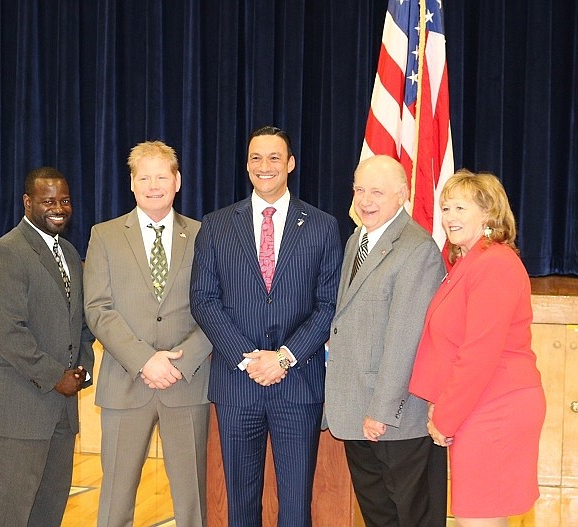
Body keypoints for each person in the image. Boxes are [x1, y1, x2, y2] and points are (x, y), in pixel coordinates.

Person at [190, 125, 343, 526]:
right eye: (256, 157)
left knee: (295, 505)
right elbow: (204, 301)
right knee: (240, 504)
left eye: (274, 157)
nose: (265, 166)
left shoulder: (322, 226)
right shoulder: (217, 225)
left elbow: (329, 304)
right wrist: (249, 360)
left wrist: (285, 358)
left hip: (298, 382)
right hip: (237, 384)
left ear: (290, 164)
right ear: (246, 165)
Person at [83, 141, 212, 527]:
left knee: (192, 500)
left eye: (161, 177)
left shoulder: (205, 235)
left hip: (187, 383)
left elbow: (218, 309)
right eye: (144, 177)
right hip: (126, 384)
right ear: (132, 184)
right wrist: (144, 360)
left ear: (177, 182)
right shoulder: (104, 236)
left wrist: (182, 361)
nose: (153, 185)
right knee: (115, 499)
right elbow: (98, 310)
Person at [409, 169, 546, 527]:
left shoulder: (495, 264)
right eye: (445, 208)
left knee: (479, 518)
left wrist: (445, 416)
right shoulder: (470, 263)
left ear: (488, 213)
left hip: (495, 408)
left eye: (459, 208)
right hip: (482, 405)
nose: (448, 218)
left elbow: (479, 354)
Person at [324, 155, 448, 527]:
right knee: (379, 516)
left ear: (403, 195)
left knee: (412, 516)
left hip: (393, 419)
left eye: (376, 191)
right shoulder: (357, 240)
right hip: (355, 410)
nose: (365, 200)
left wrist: (381, 409)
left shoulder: (417, 249)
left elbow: (405, 337)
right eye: (359, 189)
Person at [0, 166, 95, 527]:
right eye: (48, 201)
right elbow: (8, 333)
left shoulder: (70, 253)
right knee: (14, 516)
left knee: (49, 513)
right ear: (28, 203)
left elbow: (83, 325)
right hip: (19, 410)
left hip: (60, 411)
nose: (58, 208)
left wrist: (82, 369)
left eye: (64, 200)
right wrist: (55, 376)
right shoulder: (7, 253)